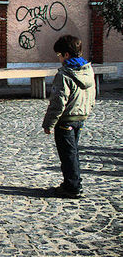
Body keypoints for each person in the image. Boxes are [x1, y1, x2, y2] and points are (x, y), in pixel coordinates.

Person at [42, 34, 96, 199]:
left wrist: (48, 124)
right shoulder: (87, 70)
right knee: (72, 152)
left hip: (66, 120)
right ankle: (71, 183)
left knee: (68, 154)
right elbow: (92, 94)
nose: (58, 58)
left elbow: (58, 102)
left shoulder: (64, 74)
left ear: (66, 54)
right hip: (80, 117)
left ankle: (73, 187)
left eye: (59, 55)